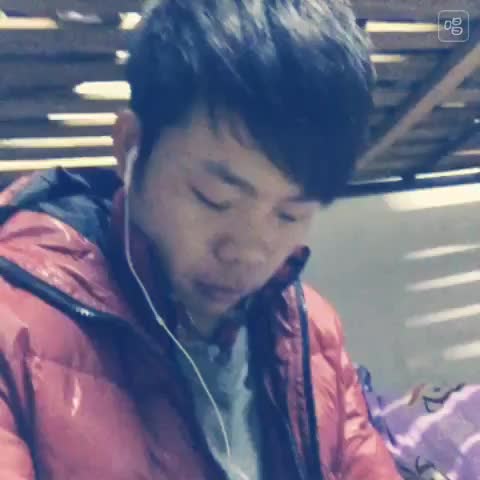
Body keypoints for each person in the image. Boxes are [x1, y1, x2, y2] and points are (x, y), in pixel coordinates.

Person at [0, 1, 401, 479]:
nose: (249, 252)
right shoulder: (15, 330)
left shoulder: (311, 331)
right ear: (130, 148)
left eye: (290, 214)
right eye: (214, 199)